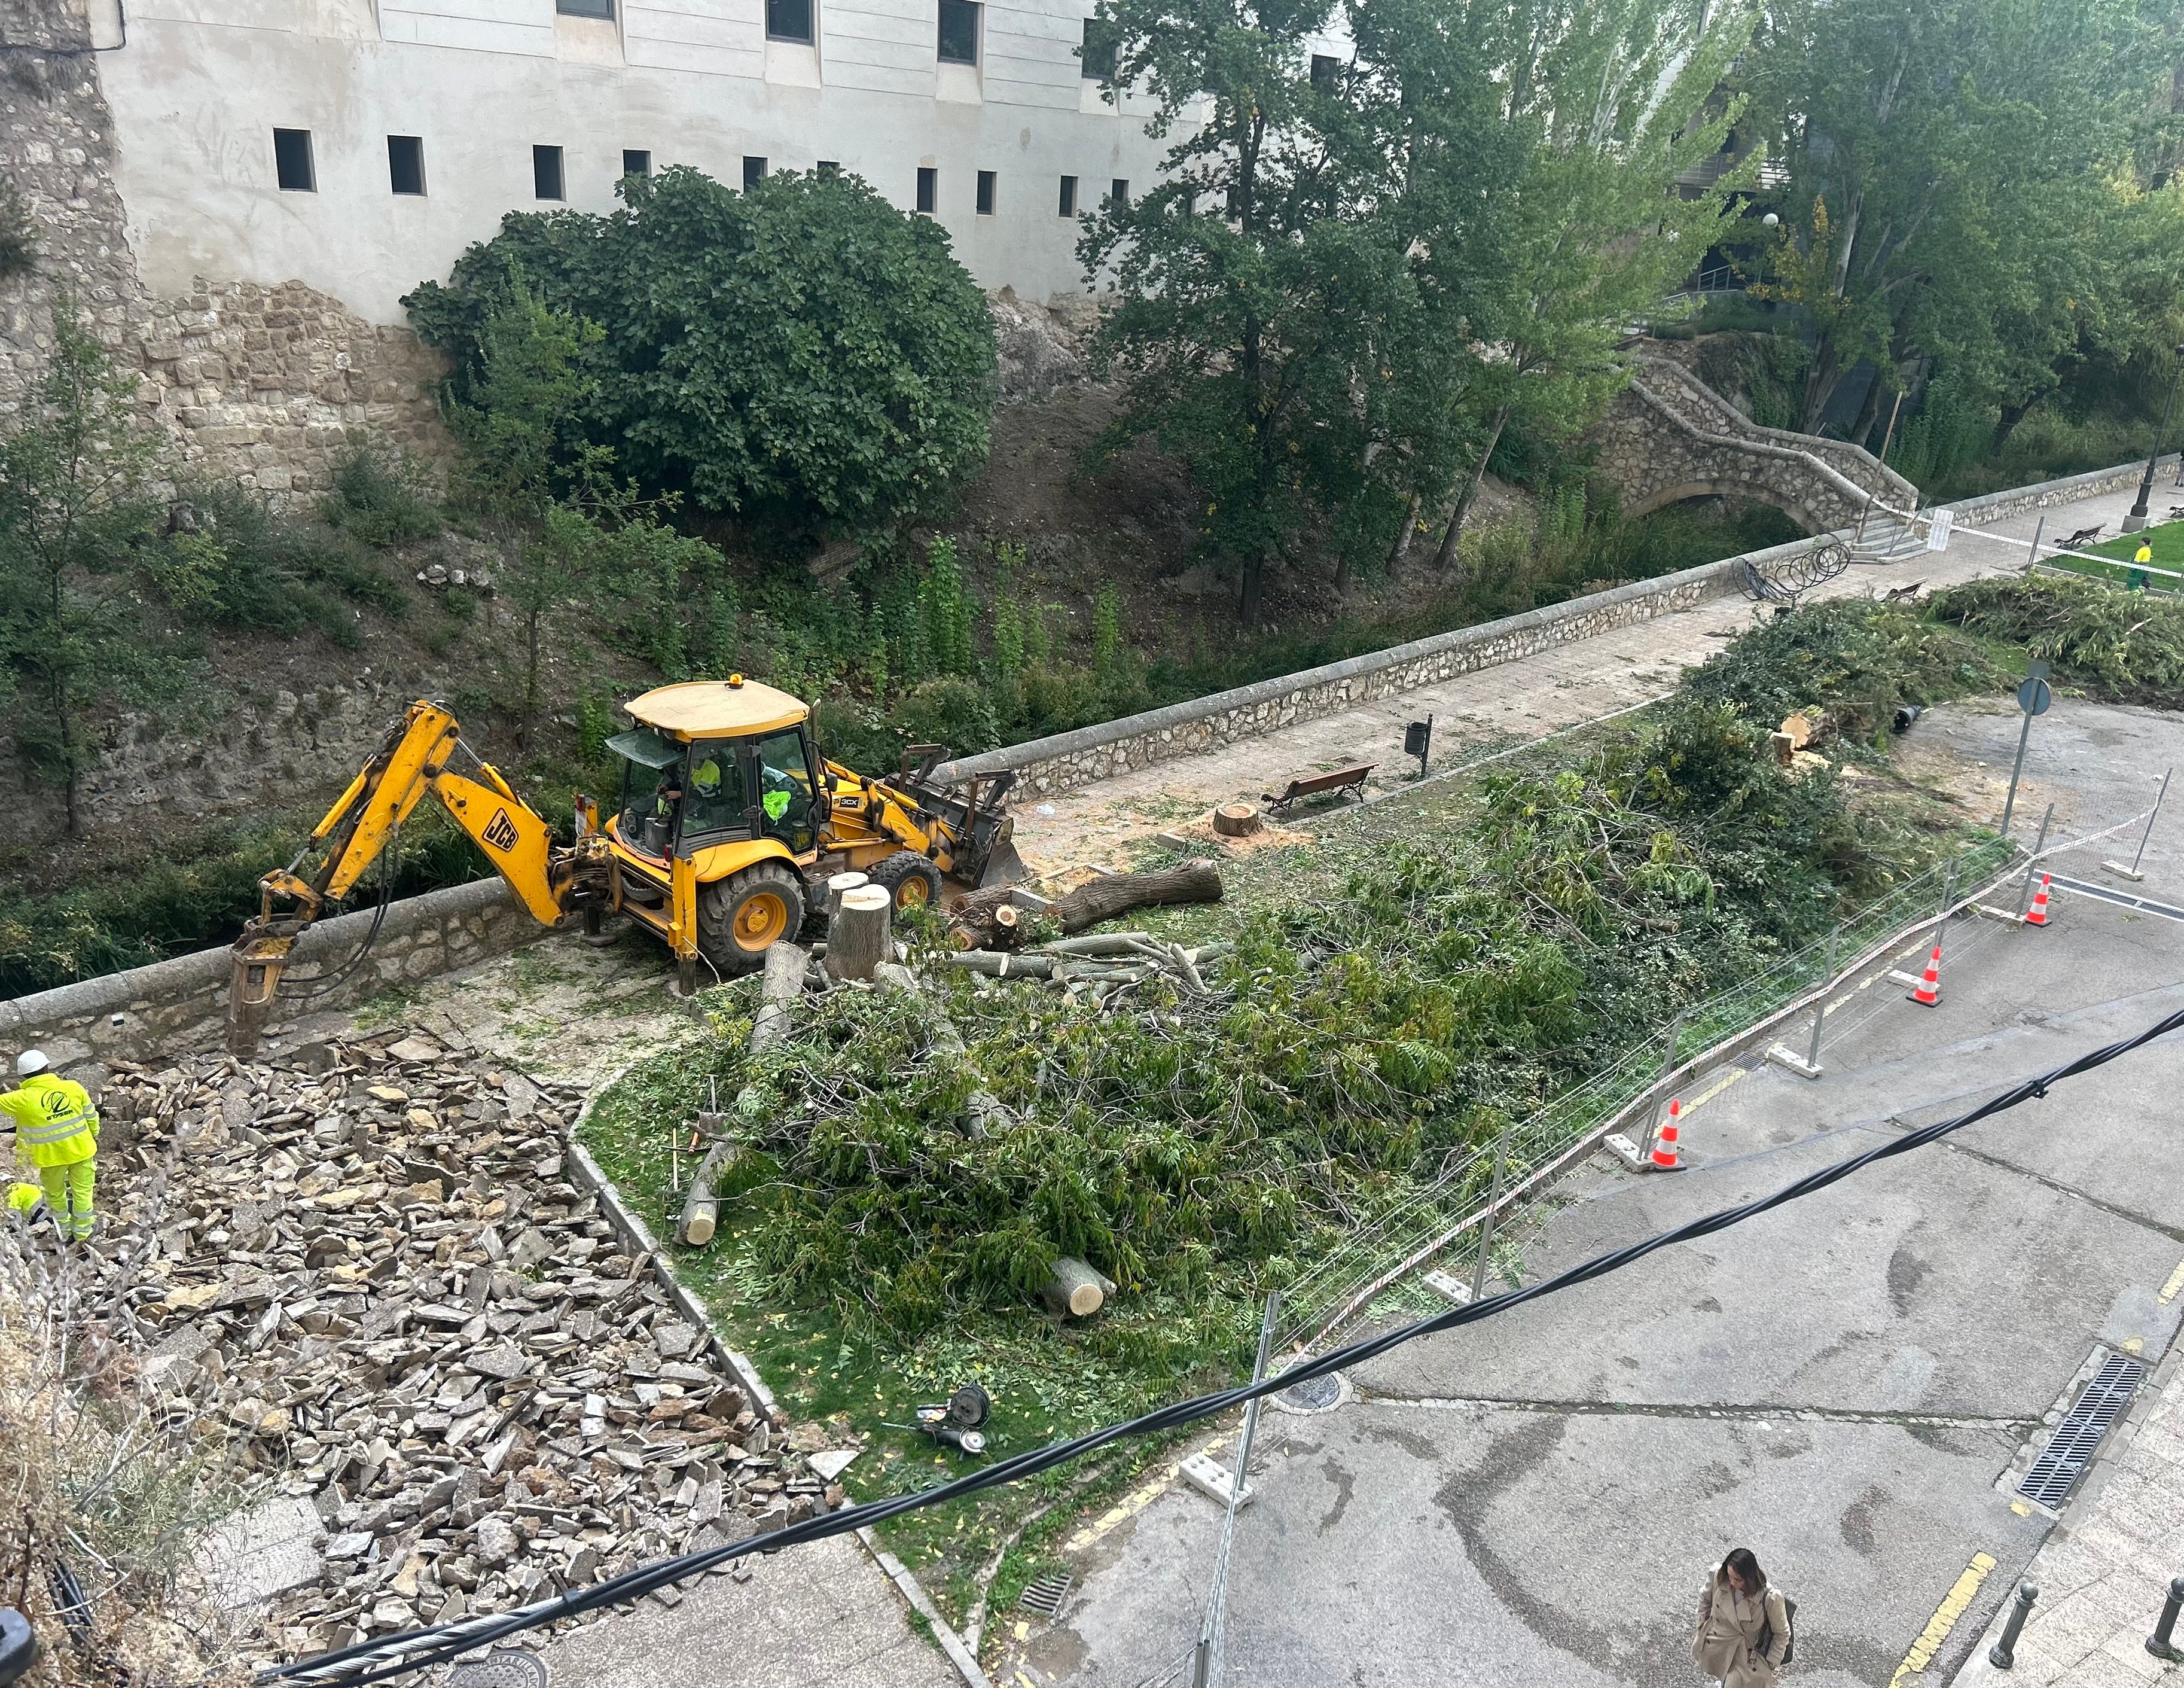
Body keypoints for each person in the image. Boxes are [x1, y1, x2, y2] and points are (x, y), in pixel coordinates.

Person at [0, 1050, 99, 1244]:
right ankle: (83, 1235)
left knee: (55, 1195)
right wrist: (93, 1136)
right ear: (47, 1067)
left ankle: (62, 1231)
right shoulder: (73, 1088)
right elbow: (92, 1116)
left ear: (23, 1076)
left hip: (50, 1159)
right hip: (82, 1151)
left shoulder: (20, 1099)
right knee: (83, 1193)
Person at [1693, 1547, 1790, 1687]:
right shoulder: (1719, 1577)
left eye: (1738, 1579)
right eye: (1730, 1576)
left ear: (1749, 1578)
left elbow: (1782, 1633)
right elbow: (1705, 1598)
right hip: (1719, 1643)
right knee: (1723, 1677)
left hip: (1746, 1656)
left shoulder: (1769, 1598)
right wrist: (1702, 1624)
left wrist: (1772, 1661)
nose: (1732, 1583)